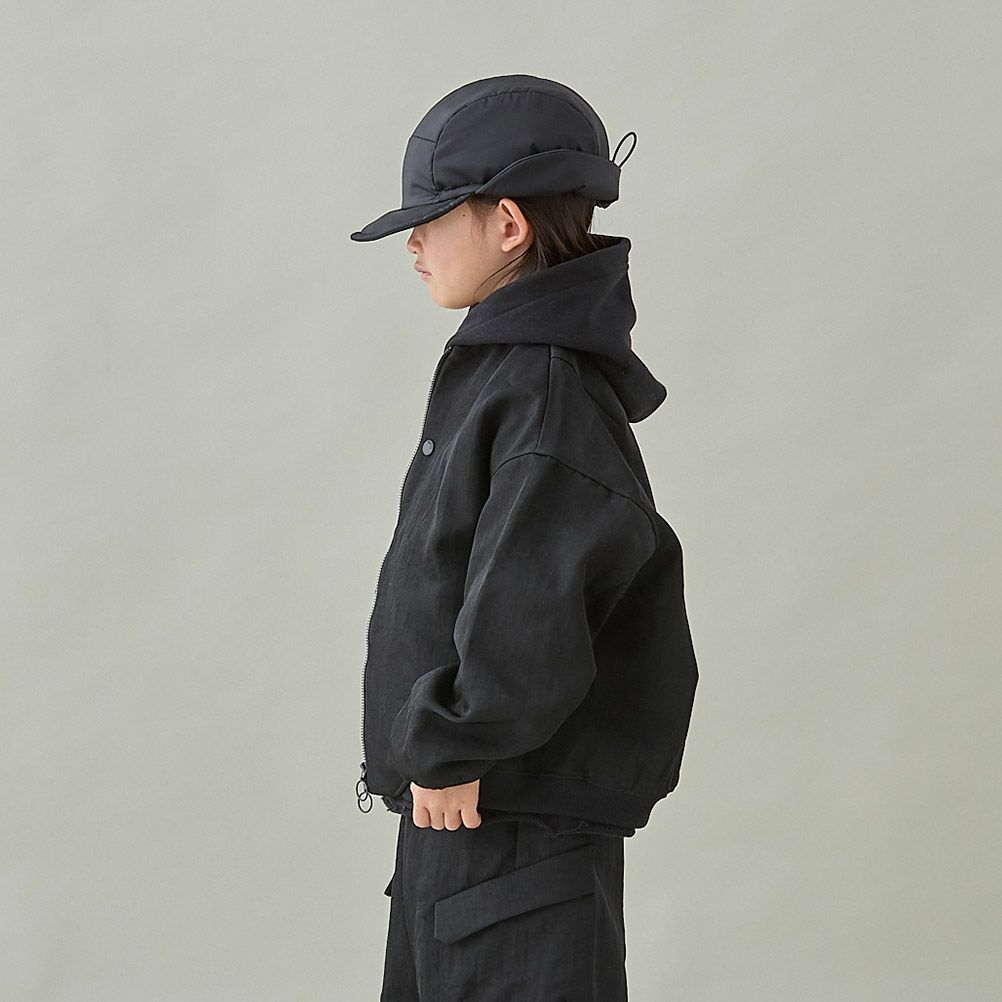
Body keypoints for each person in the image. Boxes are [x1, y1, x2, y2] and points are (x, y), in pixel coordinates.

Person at [350, 73, 699, 1002]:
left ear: (508, 225)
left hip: (504, 828)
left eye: (430, 220)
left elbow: (534, 594)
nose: (413, 243)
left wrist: (456, 743)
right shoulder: (504, 373)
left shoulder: (541, 387)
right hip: (469, 821)